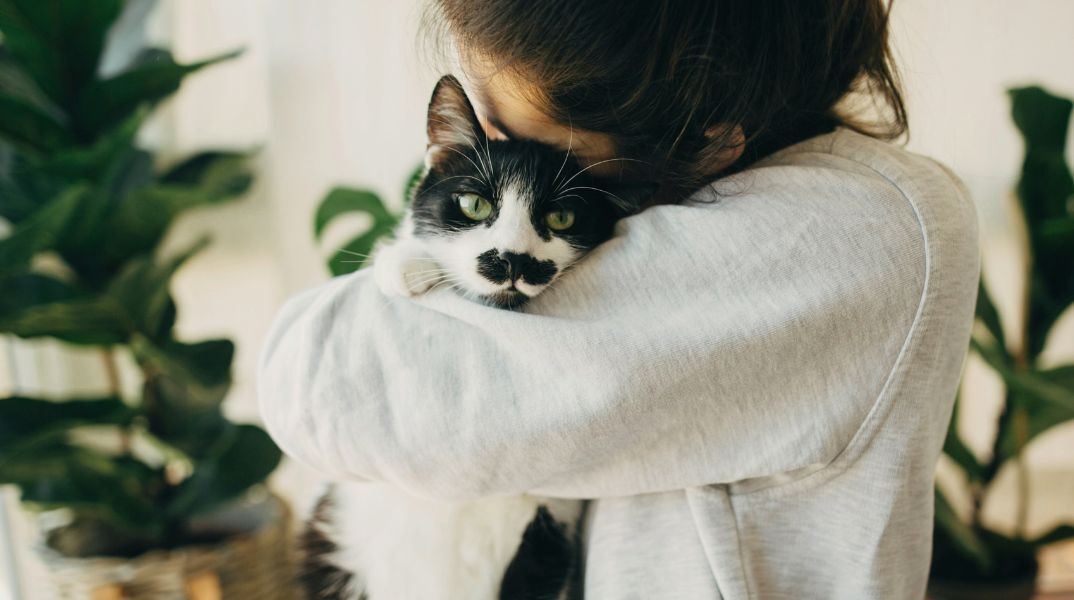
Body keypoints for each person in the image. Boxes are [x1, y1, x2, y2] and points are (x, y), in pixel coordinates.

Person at [258, 1, 980, 598]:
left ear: (705, 145)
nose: (504, 154)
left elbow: (321, 382)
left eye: (523, 141)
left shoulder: (850, 235)